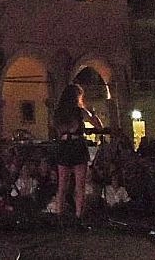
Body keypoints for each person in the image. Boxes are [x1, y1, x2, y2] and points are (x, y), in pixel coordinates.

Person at [53, 83, 103, 221]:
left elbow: (57, 131)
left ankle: (59, 215)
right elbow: (98, 126)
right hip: (77, 146)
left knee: (62, 185)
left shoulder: (58, 113)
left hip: (63, 145)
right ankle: (78, 216)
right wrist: (93, 113)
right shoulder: (79, 111)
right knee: (79, 185)